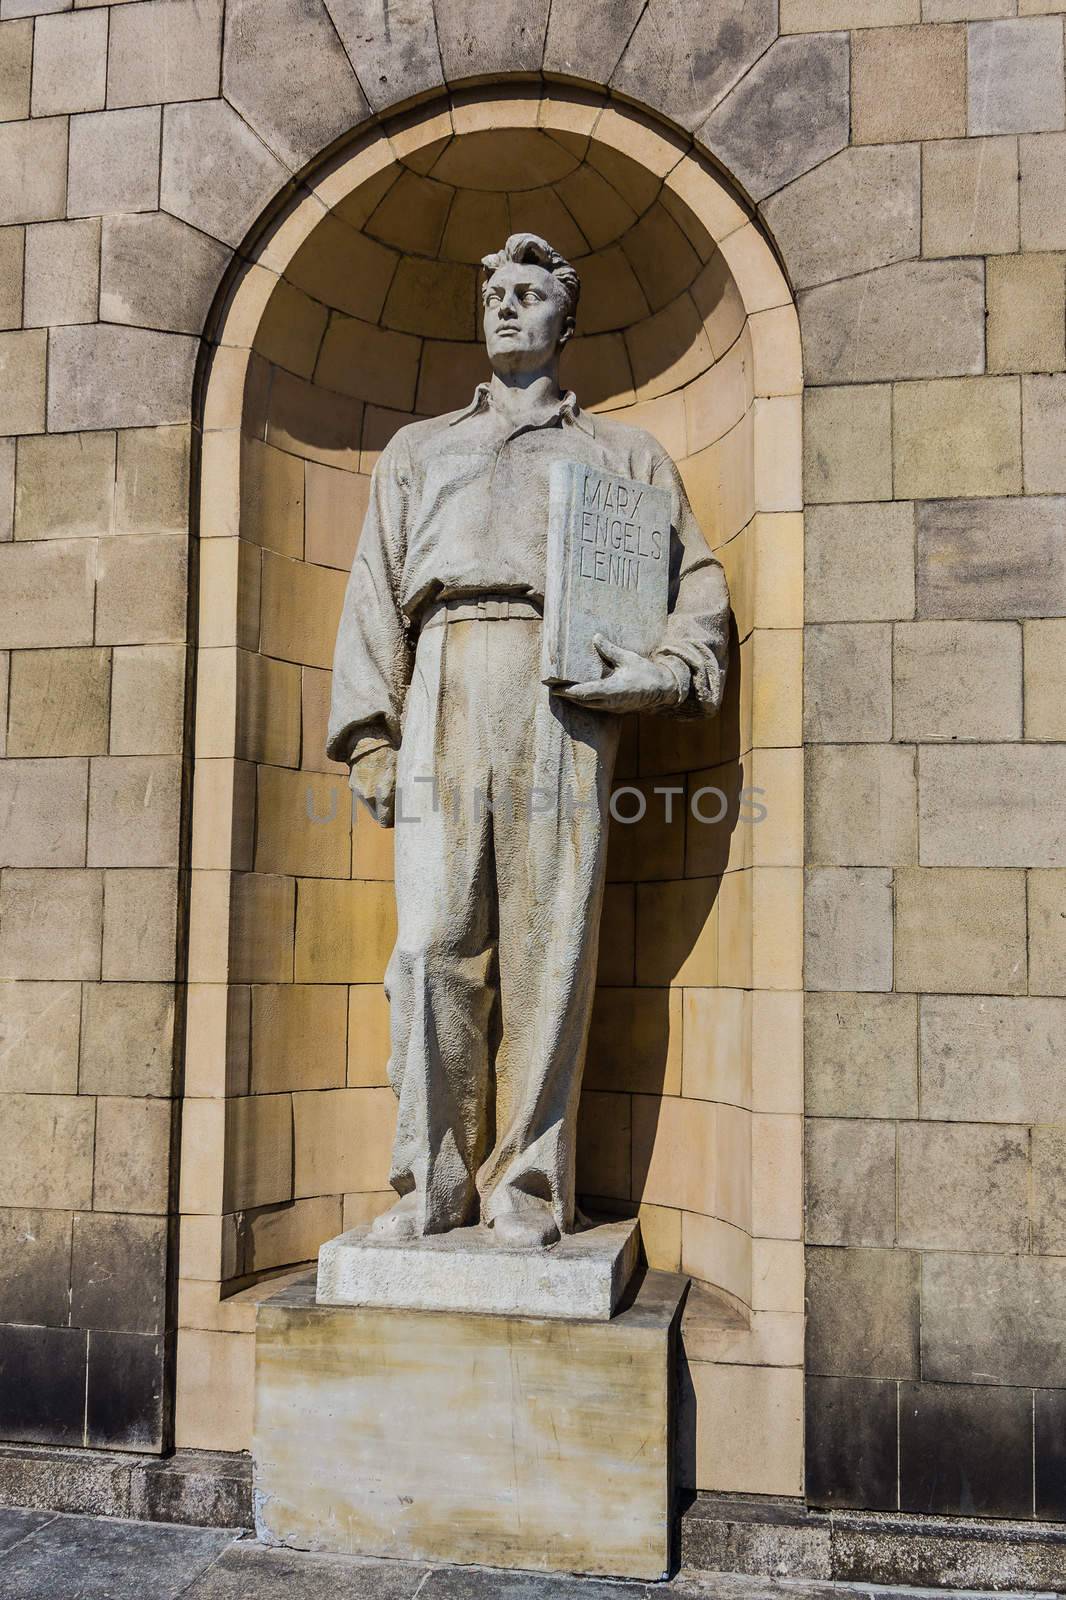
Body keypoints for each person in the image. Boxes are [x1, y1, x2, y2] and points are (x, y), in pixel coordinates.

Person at [327, 233, 730, 1249]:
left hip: (567, 696)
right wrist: (372, 734)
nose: (506, 307)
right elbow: (374, 593)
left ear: (567, 317)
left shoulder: (624, 456)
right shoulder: (419, 448)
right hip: (446, 672)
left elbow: (699, 590)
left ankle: (531, 1186)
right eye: (494, 292)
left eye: (529, 293)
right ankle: (432, 1180)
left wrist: (667, 670)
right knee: (430, 945)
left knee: (554, 946)